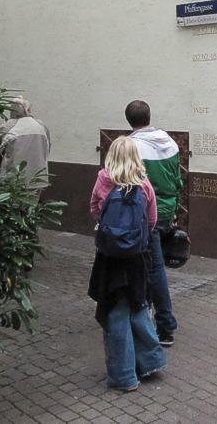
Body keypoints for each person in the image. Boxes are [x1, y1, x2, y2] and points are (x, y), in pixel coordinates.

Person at [88, 136, 166, 391]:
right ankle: (150, 362)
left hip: (110, 259)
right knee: (139, 304)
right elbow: (152, 219)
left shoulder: (103, 179)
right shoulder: (143, 183)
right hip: (137, 258)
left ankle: (124, 377)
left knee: (116, 311)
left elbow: (94, 210)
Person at [125, 100, 183, 347]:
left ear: (128, 121)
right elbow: (177, 179)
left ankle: (165, 325)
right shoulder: (168, 141)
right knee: (150, 264)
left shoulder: (132, 147)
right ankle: (145, 312)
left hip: (146, 213)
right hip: (168, 209)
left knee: (154, 269)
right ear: (149, 116)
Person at [0, 96, 51, 191]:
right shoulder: (42, 126)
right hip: (38, 178)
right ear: (29, 108)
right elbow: (47, 149)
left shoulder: (8, 126)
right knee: (32, 204)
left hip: (14, 179)